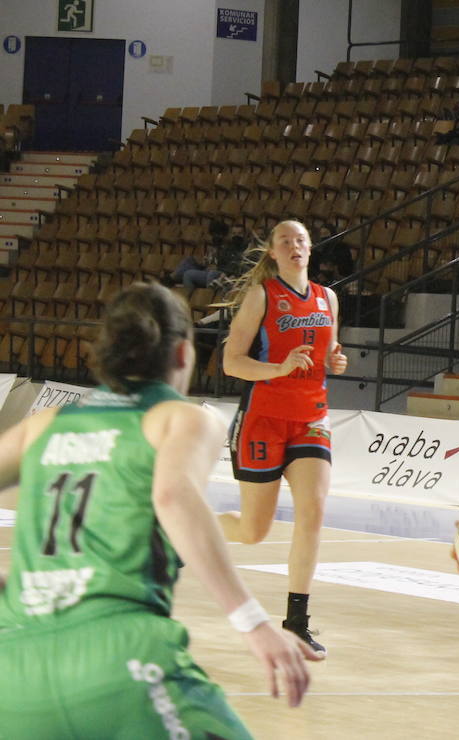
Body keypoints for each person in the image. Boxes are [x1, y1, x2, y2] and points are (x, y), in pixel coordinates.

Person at [0, 282, 319, 736]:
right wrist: (252, 622)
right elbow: (171, 495)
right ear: (185, 354)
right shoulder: (181, 417)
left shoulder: (46, 423)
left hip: (13, 667)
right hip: (119, 654)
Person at [218, 219, 346, 655]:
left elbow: (326, 353)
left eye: (302, 240)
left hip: (311, 418)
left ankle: (296, 621)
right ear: (272, 252)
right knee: (253, 531)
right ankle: (190, 532)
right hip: (263, 419)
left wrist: (335, 359)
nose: (295, 245)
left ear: (311, 249)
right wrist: (278, 369)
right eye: (285, 240)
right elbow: (232, 363)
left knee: (313, 509)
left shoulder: (328, 297)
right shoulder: (261, 296)